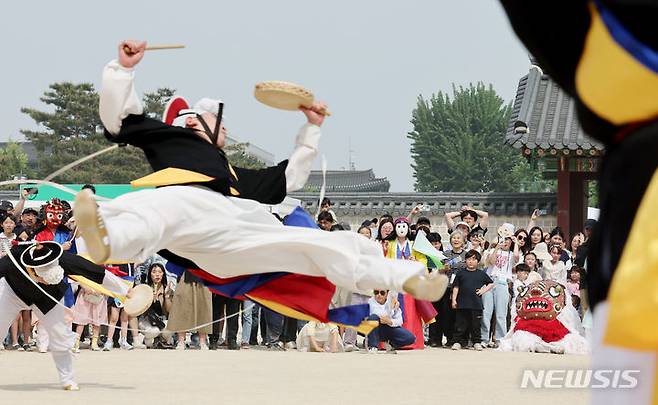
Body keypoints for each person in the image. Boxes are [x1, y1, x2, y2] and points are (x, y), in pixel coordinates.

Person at [75, 39, 446, 305]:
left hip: (227, 233)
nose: (224, 130)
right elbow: (119, 119)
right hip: (183, 207)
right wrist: (122, 69)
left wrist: (312, 127)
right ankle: (109, 241)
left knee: (317, 245)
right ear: (192, 122)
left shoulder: (232, 175)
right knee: (155, 208)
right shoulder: (172, 137)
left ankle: (407, 278)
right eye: (217, 123)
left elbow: (288, 180)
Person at [0, 241, 141, 390]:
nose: (46, 282)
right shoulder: (11, 260)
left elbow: (95, 272)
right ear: (34, 270)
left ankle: (67, 379)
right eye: (44, 280)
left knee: (60, 337)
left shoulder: (64, 259)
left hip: (49, 298)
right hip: (13, 294)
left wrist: (124, 290)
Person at [451, 250, 493, 351]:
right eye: (469, 259)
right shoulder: (461, 273)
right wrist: (454, 300)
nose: (471, 261)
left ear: (478, 261)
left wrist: (483, 290)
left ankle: (476, 342)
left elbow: (491, 283)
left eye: (474, 259)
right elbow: (456, 287)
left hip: (476, 304)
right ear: (465, 260)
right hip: (462, 304)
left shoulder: (481, 274)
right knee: (460, 324)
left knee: (475, 325)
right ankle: (458, 342)